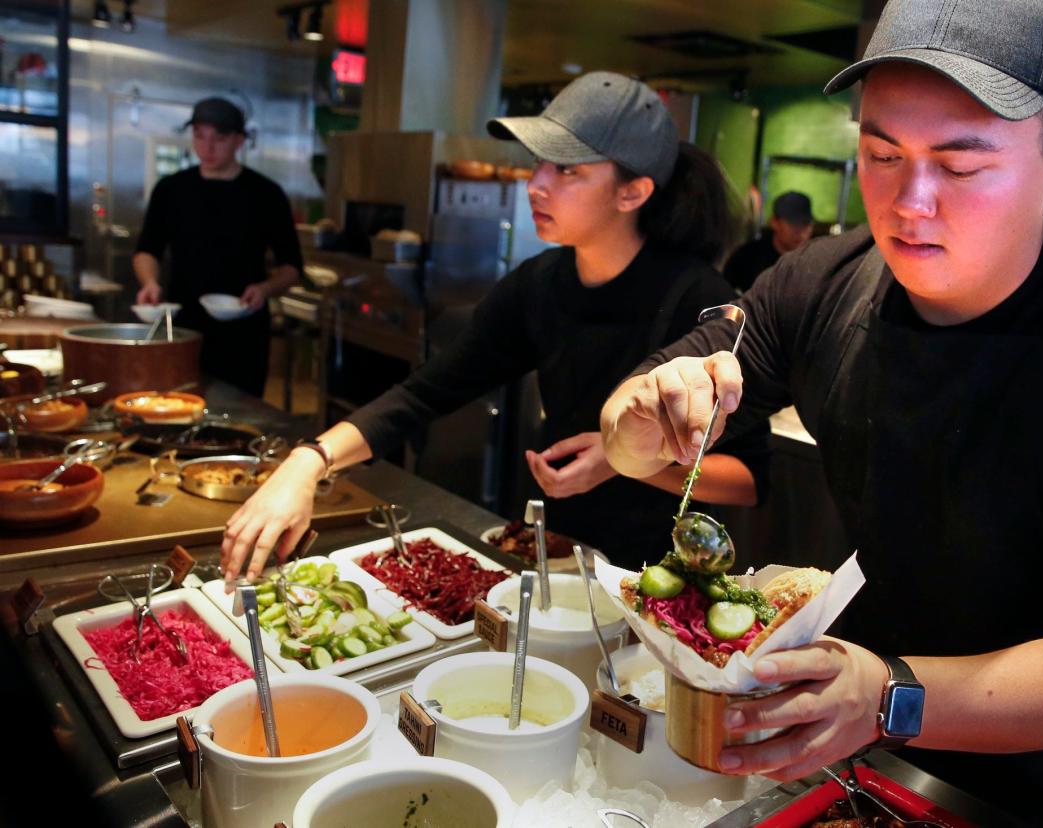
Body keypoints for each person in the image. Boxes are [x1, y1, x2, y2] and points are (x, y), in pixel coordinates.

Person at [599, 1, 1043, 825]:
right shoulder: (822, 282)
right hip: (864, 768)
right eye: (881, 153)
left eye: (962, 164)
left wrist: (888, 694)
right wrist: (637, 425)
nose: (910, 202)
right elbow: (653, 392)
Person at [221, 72, 769, 580]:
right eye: (539, 163)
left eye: (567, 170)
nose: (536, 184)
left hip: (652, 578)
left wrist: (628, 460)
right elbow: (425, 392)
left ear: (632, 192)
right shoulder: (541, 283)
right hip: (554, 557)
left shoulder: (702, 301)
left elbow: (746, 482)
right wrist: (306, 463)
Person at [133, 97, 302, 397]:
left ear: (239, 140)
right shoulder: (171, 190)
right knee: (178, 404)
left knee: (240, 415)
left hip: (244, 334)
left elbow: (292, 267)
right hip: (183, 328)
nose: (207, 147)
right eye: (200, 136)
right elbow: (147, 249)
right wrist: (149, 282)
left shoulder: (266, 194)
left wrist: (264, 289)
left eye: (219, 138)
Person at [722, 191, 815, 293]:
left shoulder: (816, 260)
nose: (800, 231)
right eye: (793, 224)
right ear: (774, 222)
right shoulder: (748, 256)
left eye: (805, 224)